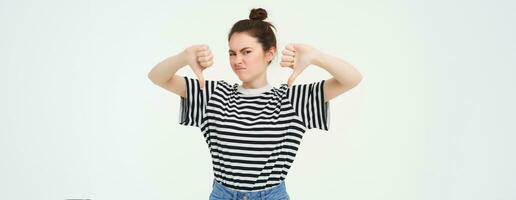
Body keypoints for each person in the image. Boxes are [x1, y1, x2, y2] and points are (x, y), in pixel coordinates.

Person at [148, 7, 362, 200]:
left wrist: (316, 57)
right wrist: (183, 57)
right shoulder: (213, 94)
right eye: (232, 53)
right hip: (223, 195)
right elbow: (157, 77)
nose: (236, 60)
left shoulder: (292, 100)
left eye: (246, 52)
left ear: (269, 53)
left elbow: (352, 79)